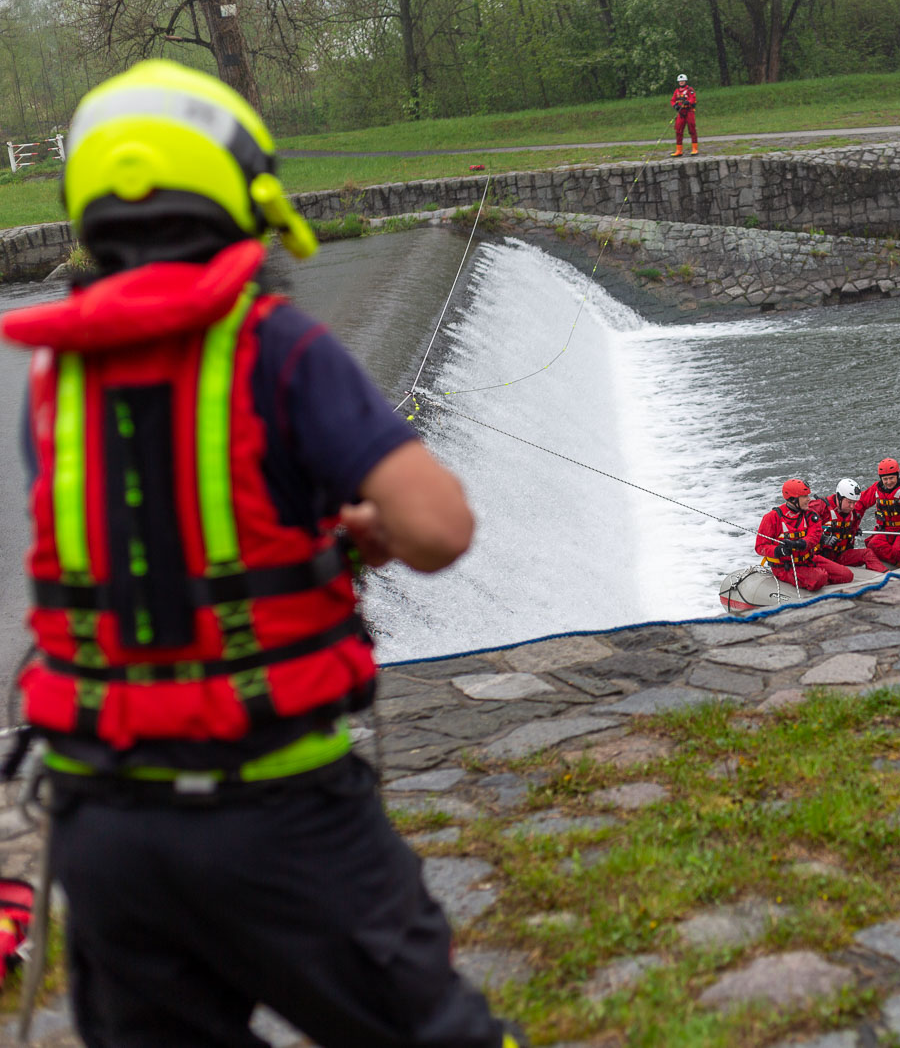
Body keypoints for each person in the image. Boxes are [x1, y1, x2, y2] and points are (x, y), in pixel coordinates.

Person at [2, 60, 518, 1048]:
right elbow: (439, 528)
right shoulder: (275, 346)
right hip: (278, 809)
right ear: (245, 194)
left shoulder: (53, 381)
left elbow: (150, 544)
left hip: (105, 820)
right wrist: (354, 534)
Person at [755, 479, 852, 592]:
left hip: (809, 559)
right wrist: (779, 550)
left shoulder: (811, 515)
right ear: (793, 499)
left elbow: (814, 536)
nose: (809, 499)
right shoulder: (772, 518)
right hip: (785, 567)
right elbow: (760, 547)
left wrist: (799, 543)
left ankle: (812, 577)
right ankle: (812, 579)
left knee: (846, 575)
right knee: (820, 578)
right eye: (805, 496)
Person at [857, 458, 900, 567]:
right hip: (887, 529)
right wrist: (854, 524)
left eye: (891, 478)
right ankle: (899, 563)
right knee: (873, 544)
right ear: (881, 479)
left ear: (897, 475)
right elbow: (860, 504)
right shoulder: (876, 489)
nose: (888, 482)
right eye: (885, 479)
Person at [813, 478, 887, 573]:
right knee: (843, 573)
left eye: (854, 502)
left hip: (841, 555)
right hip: (820, 556)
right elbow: (800, 522)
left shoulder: (853, 512)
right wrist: (822, 538)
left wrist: (885, 481)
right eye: (849, 502)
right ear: (839, 497)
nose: (852, 506)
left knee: (867, 553)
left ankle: (886, 574)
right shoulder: (820, 506)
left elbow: (868, 497)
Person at [670, 73, 698, 157]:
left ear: (685, 81)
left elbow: (693, 98)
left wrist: (688, 102)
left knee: (692, 129)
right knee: (678, 130)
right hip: (681, 113)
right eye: (680, 81)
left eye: (682, 81)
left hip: (689, 112)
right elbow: (672, 100)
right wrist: (675, 106)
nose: (681, 82)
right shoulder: (677, 91)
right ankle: (679, 150)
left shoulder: (690, 90)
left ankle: (695, 148)